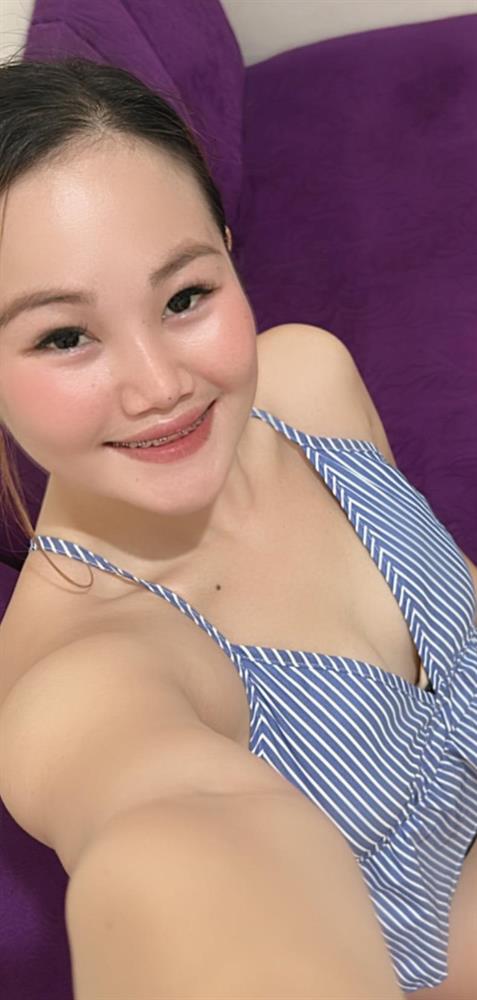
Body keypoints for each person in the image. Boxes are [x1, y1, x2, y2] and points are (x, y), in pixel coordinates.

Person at [0, 56, 475, 1000]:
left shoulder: (306, 378)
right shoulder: (77, 678)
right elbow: (179, 835)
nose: (160, 386)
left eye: (185, 296)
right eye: (63, 336)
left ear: (227, 254)